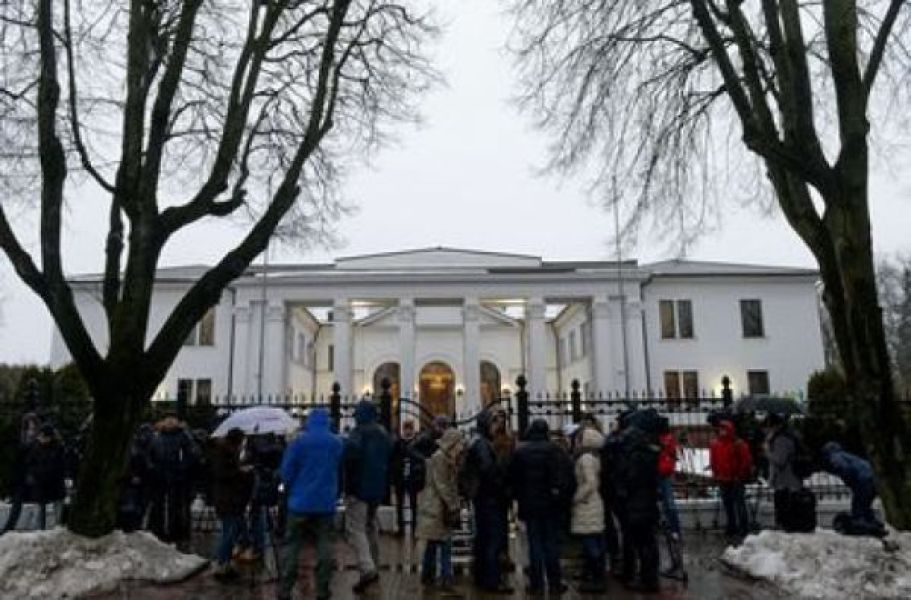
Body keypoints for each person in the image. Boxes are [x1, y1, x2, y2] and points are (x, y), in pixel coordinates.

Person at [277, 408, 344, 600]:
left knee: (292, 544)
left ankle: (285, 589)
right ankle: (322, 588)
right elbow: (340, 469)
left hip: (299, 502)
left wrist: (288, 487)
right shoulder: (336, 443)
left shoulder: (298, 442)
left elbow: (286, 472)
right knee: (325, 544)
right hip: (325, 502)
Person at [510, 419, 569, 596]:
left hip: (529, 504)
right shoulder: (555, 450)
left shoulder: (521, 452)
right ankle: (554, 582)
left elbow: (514, 478)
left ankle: (536, 583)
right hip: (551, 504)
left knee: (534, 543)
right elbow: (563, 477)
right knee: (551, 543)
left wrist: (517, 497)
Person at [344, 399, 393, 594]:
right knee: (370, 526)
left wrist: (347, 485)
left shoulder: (358, 433)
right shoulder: (383, 433)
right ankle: (374, 563)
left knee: (355, 529)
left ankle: (367, 568)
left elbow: (350, 457)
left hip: (359, 489)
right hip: (377, 488)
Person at [461, 409, 513, 593]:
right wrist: (502, 484)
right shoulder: (482, 445)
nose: (496, 427)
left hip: (483, 498)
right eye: (493, 422)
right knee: (492, 540)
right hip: (490, 498)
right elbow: (488, 471)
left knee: (483, 538)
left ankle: (481, 576)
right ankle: (492, 579)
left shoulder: (477, 442)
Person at [613, 410, 661, 593]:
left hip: (637, 503)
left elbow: (630, 479)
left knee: (643, 543)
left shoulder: (636, 457)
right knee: (648, 541)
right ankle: (649, 577)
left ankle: (648, 580)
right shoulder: (649, 452)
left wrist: (622, 482)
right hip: (646, 502)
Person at [416, 428, 465, 589]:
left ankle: (429, 575)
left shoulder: (446, 457)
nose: (461, 447)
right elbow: (442, 484)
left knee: (434, 541)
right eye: (459, 443)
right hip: (437, 507)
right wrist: (453, 504)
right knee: (444, 542)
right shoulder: (440, 458)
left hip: (438, 507)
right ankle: (445, 576)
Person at [148, 413, 200, 548]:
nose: (170, 421)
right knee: (159, 506)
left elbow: (193, 454)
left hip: (178, 479)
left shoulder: (184, 436)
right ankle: (159, 531)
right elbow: (150, 455)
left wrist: (181, 468)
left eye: (173, 419)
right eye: (167, 419)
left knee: (178, 507)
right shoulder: (157, 436)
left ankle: (178, 534)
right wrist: (153, 468)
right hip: (160, 477)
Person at [211, 428, 253, 581]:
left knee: (231, 531)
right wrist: (241, 471)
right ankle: (222, 563)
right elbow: (223, 474)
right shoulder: (226, 454)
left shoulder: (225, 452)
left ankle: (225, 563)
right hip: (229, 500)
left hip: (228, 499)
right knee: (229, 533)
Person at [820, 442, 885, 536]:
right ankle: (873, 524)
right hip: (873, 478)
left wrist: (850, 481)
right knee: (864, 504)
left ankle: (862, 526)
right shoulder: (849, 456)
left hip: (863, 480)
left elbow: (844, 468)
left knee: (858, 506)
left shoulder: (836, 456)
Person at [571, 427, 606, 593]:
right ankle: (595, 575)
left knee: (590, 542)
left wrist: (576, 497)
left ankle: (597, 579)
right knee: (595, 540)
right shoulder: (595, 457)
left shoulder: (585, 458)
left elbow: (590, 483)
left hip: (587, 505)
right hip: (594, 504)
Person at [710, 419, 753, 540]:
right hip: (723, 478)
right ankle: (732, 526)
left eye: (724, 429)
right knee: (728, 505)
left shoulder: (738, 444)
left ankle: (743, 528)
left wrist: (740, 475)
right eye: (721, 429)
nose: (722, 431)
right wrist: (716, 474)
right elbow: (713, 461)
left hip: (736, 479)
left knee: (739, 504)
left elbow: (746, 461)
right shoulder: (715, 444)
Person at [764, 413, 808, 531]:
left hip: (786, 480)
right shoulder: (790, 436)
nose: (767, 430)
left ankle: (784, 526)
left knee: (783, 506)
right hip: (790, 479)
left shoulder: (781, 439)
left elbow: (780, 460)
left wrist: (767, 452)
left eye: (769, 427)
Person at [0, 413, 41, 535]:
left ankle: (36, 529)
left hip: (35, 477)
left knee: (38, 504)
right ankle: (9, 528)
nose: (31, 431)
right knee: (17, 503)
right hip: (22, 477)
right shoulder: (22, 440)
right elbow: (17, 460)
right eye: (29, 428)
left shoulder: (38, 441)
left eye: (33, 428)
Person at [26, 423, 67, 530]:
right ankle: (38, 531)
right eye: (40, 436)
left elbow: (60, 466)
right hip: (40, 483)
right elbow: (30, 463)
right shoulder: (36, 447)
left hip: (55, 483)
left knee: (57, 510)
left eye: (43, 436)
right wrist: (34, 474)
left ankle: (56, 529)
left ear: (49, 437)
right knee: (39, 510)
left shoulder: (58, 448)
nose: (40, 438)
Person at [118, 423, 155, 532]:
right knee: (133, 506)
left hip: (140, 480)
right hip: (136, 480)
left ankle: (131, 526)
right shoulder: (137, 447)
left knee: (135, 505)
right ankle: (131, 526)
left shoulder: (138, 447)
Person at [391, 420, 421, 536]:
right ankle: (401, 527)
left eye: (409, 428)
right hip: (400, 476)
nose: (408, 431)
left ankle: (414, 528)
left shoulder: (416, 442)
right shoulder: (399, 443)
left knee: (414, 504)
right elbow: (393, 459)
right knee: (400, 504)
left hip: (413, 477)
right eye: (406, 428)